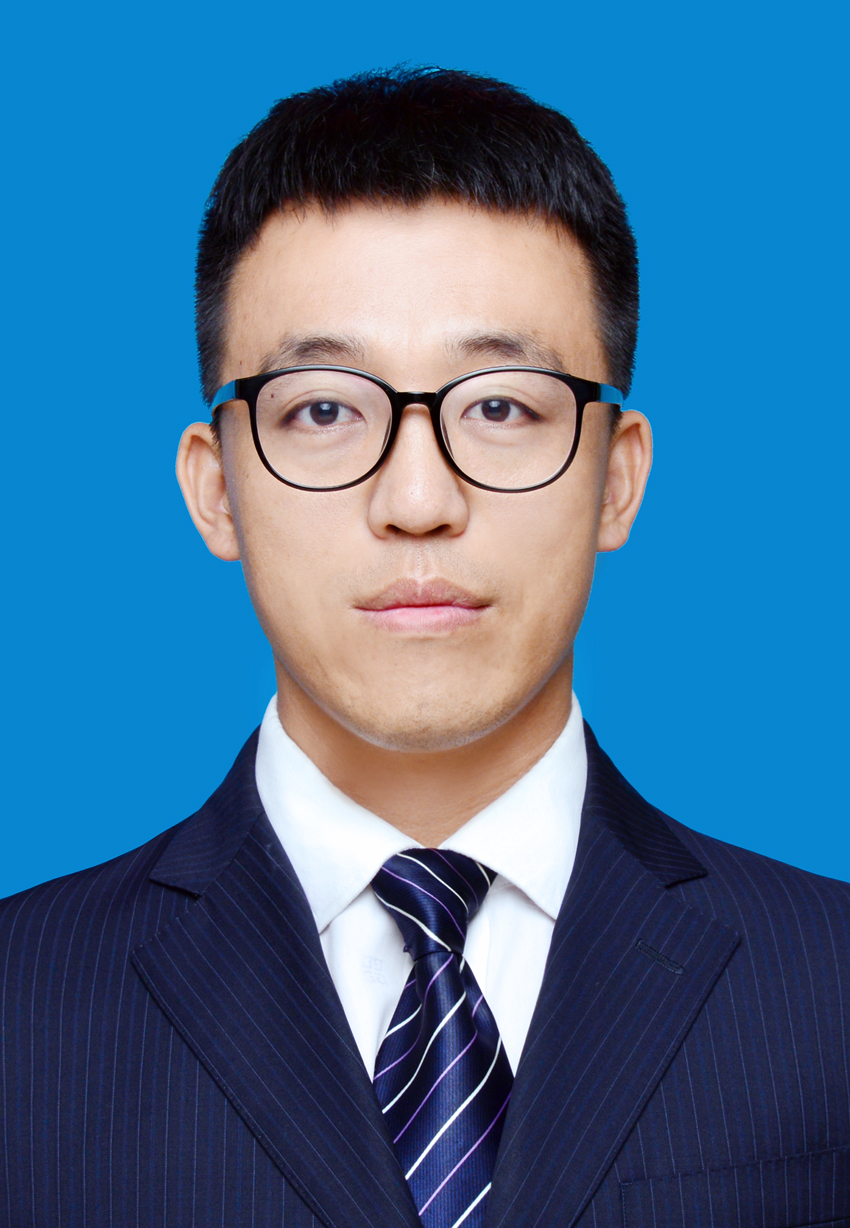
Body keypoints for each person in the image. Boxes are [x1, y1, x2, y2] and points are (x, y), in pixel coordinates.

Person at [1, 66, 848, 1228]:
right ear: (215, 489)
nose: (415, 500)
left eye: (500, 407)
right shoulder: (22, 1004)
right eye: (322, 409)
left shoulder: (828, 982)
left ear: (616, 479)